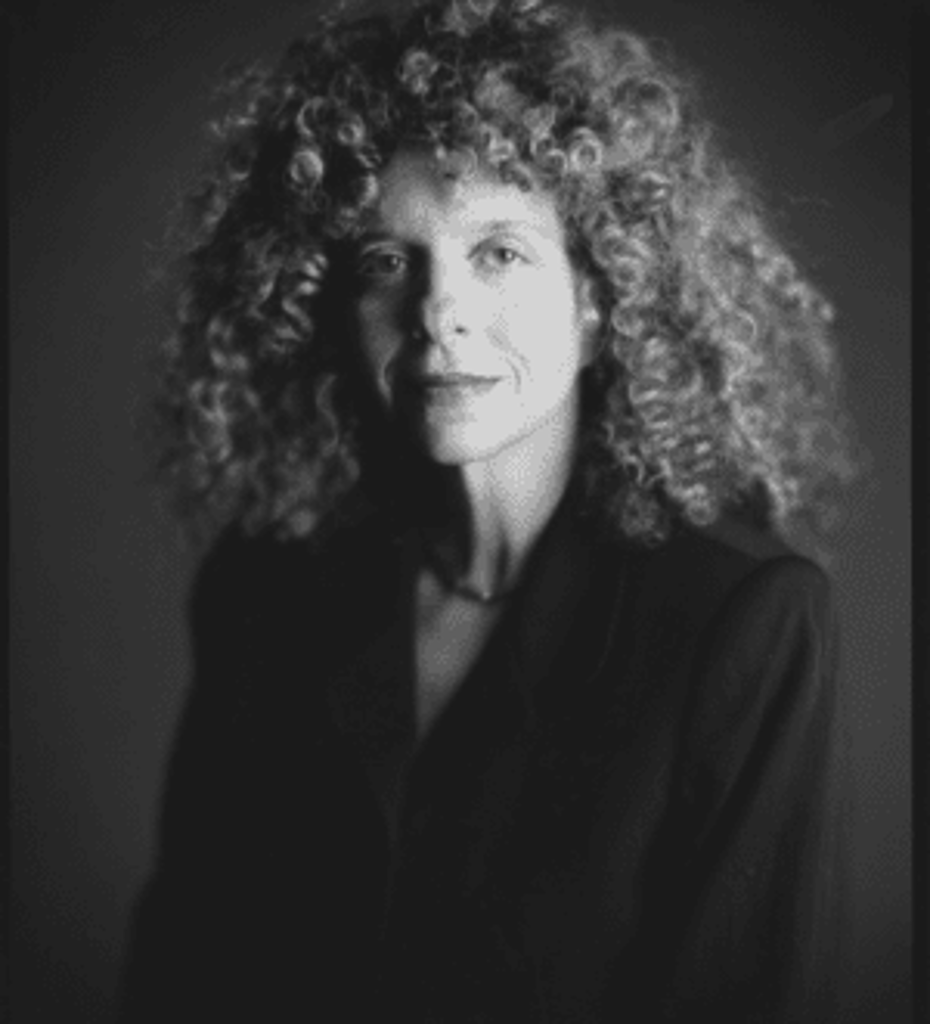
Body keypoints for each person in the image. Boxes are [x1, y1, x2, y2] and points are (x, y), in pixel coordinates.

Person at [119, 0, 864, 1019]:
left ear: (600, 300)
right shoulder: (266, 582)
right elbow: (178, 969)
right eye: (387, 261)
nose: (438, 312)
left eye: (500, 252)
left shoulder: (744, 620)